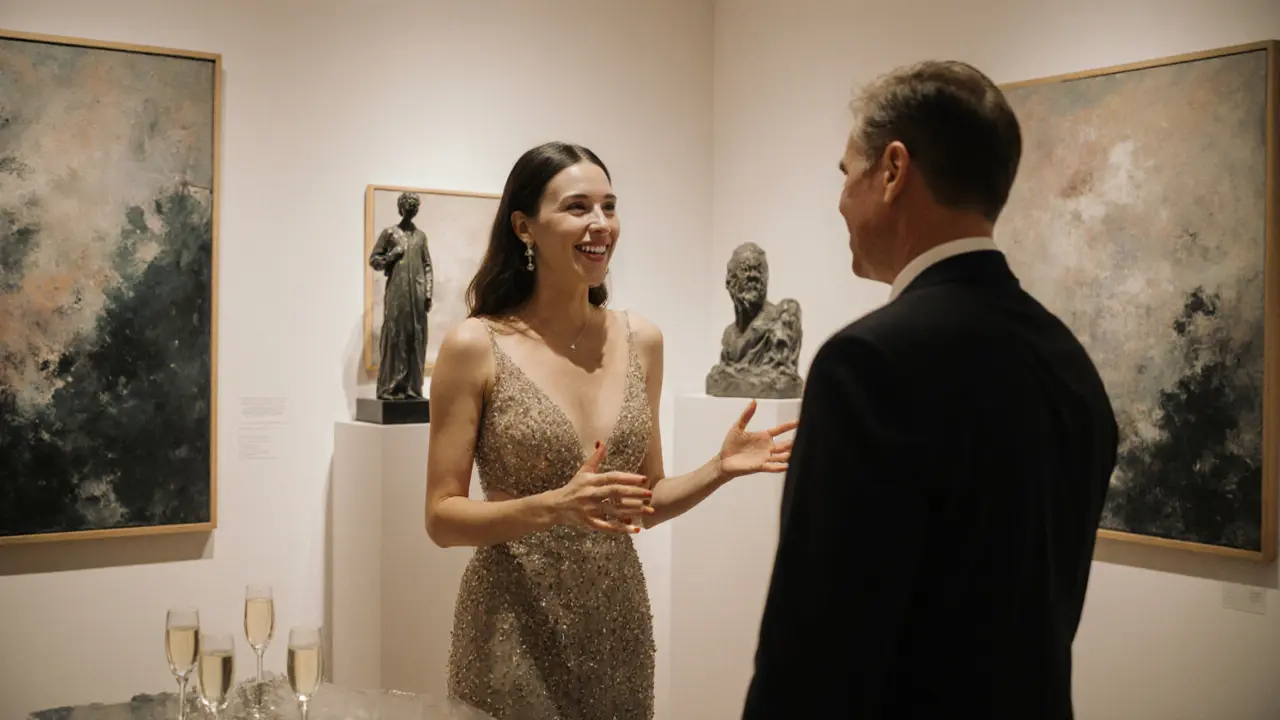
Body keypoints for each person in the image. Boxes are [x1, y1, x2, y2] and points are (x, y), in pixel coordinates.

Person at [742, 61, 1119, 719]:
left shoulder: (866, 364)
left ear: (892, 170)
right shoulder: (1069, 364)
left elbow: (813, 653)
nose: (839, 201)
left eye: (844, 173)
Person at [425, 141, 798, 720]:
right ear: (525, 227)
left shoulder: (641, 339)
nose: (600, 224)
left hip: (615, 621)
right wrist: (554, 506)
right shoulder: (476, 345)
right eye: (577, 207)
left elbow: (642, 503)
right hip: (511, 621)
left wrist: (717, 470)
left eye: (609, 206)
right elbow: (442, 517)